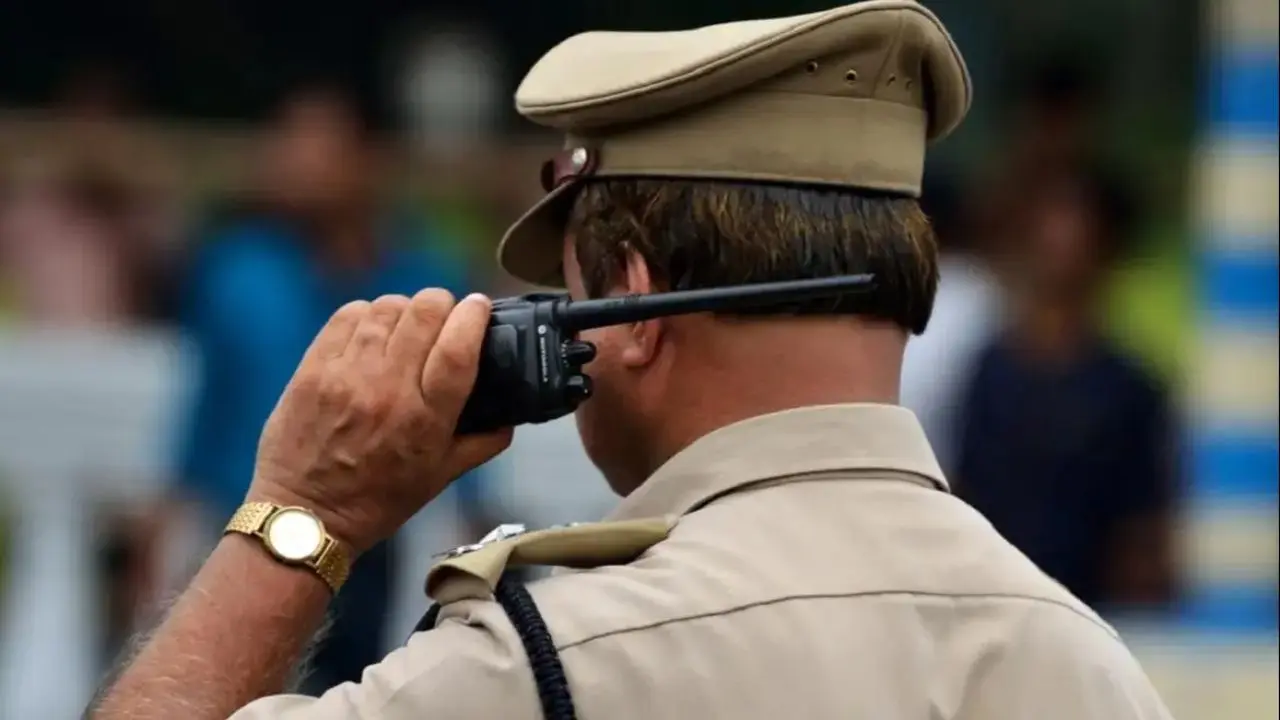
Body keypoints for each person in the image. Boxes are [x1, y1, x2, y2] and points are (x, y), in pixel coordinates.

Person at [88, 3, 1174, 719]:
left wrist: (300, 514)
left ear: (637, 304)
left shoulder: (540, 664)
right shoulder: (1084, 666)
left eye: (570, 293)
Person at [140, 83, 477, 695]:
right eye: (287, 139)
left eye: (317, 140)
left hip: (379, 528)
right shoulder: (235, 270)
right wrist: (165, 522)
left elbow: (466, 412)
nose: (296, 159)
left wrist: (477, 517)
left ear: (367, 158)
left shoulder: (427, 276)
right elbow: (204, 411)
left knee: (362, 688)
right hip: (243, 520)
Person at [953, 166, 1179, 612]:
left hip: (1092, 616)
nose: (1060, 248)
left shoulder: (1130, 388)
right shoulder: (989, 369)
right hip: (993, 608)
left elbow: (1142, 534)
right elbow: (965, 494)